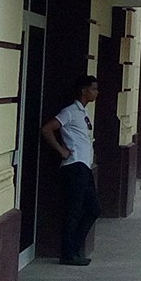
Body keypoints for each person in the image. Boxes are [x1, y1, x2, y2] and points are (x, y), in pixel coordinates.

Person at [40, 75, 101, 267]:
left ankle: (74, 248)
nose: (96, 92)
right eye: (94, 89)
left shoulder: (83, 113)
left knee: (93, 209)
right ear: (84, 91)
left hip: (85, 166)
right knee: (73, 211)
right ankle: (68, 253)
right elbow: (47, 129)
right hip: (74, 166)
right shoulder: (70, 112)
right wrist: (61, 150)